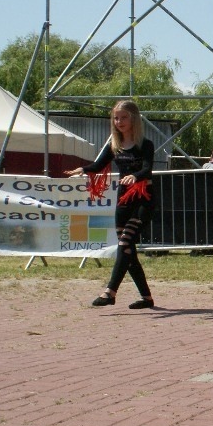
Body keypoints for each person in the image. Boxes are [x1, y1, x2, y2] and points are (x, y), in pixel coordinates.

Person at [65, 100, 156, 309]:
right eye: (116, 118)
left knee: (125, 244)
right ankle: (147, 298)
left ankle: (110, 292)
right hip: (124, 199)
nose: (119, 121)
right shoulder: (114, 145)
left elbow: (147, 169)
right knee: (128, 250)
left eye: (124, 117)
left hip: (144, 198)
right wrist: (83, 169)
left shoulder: (145, 144)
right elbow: (98, 165)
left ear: (133, 118)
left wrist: (135, 176)